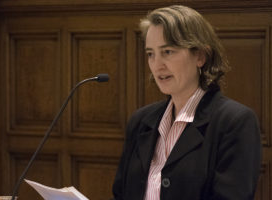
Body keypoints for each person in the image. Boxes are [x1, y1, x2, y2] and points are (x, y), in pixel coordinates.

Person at [112, 5, 262, 200]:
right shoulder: (140, 121)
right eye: (151, 54)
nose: (157, 65)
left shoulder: (235, 122)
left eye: (168, 51)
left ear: (200, 55)